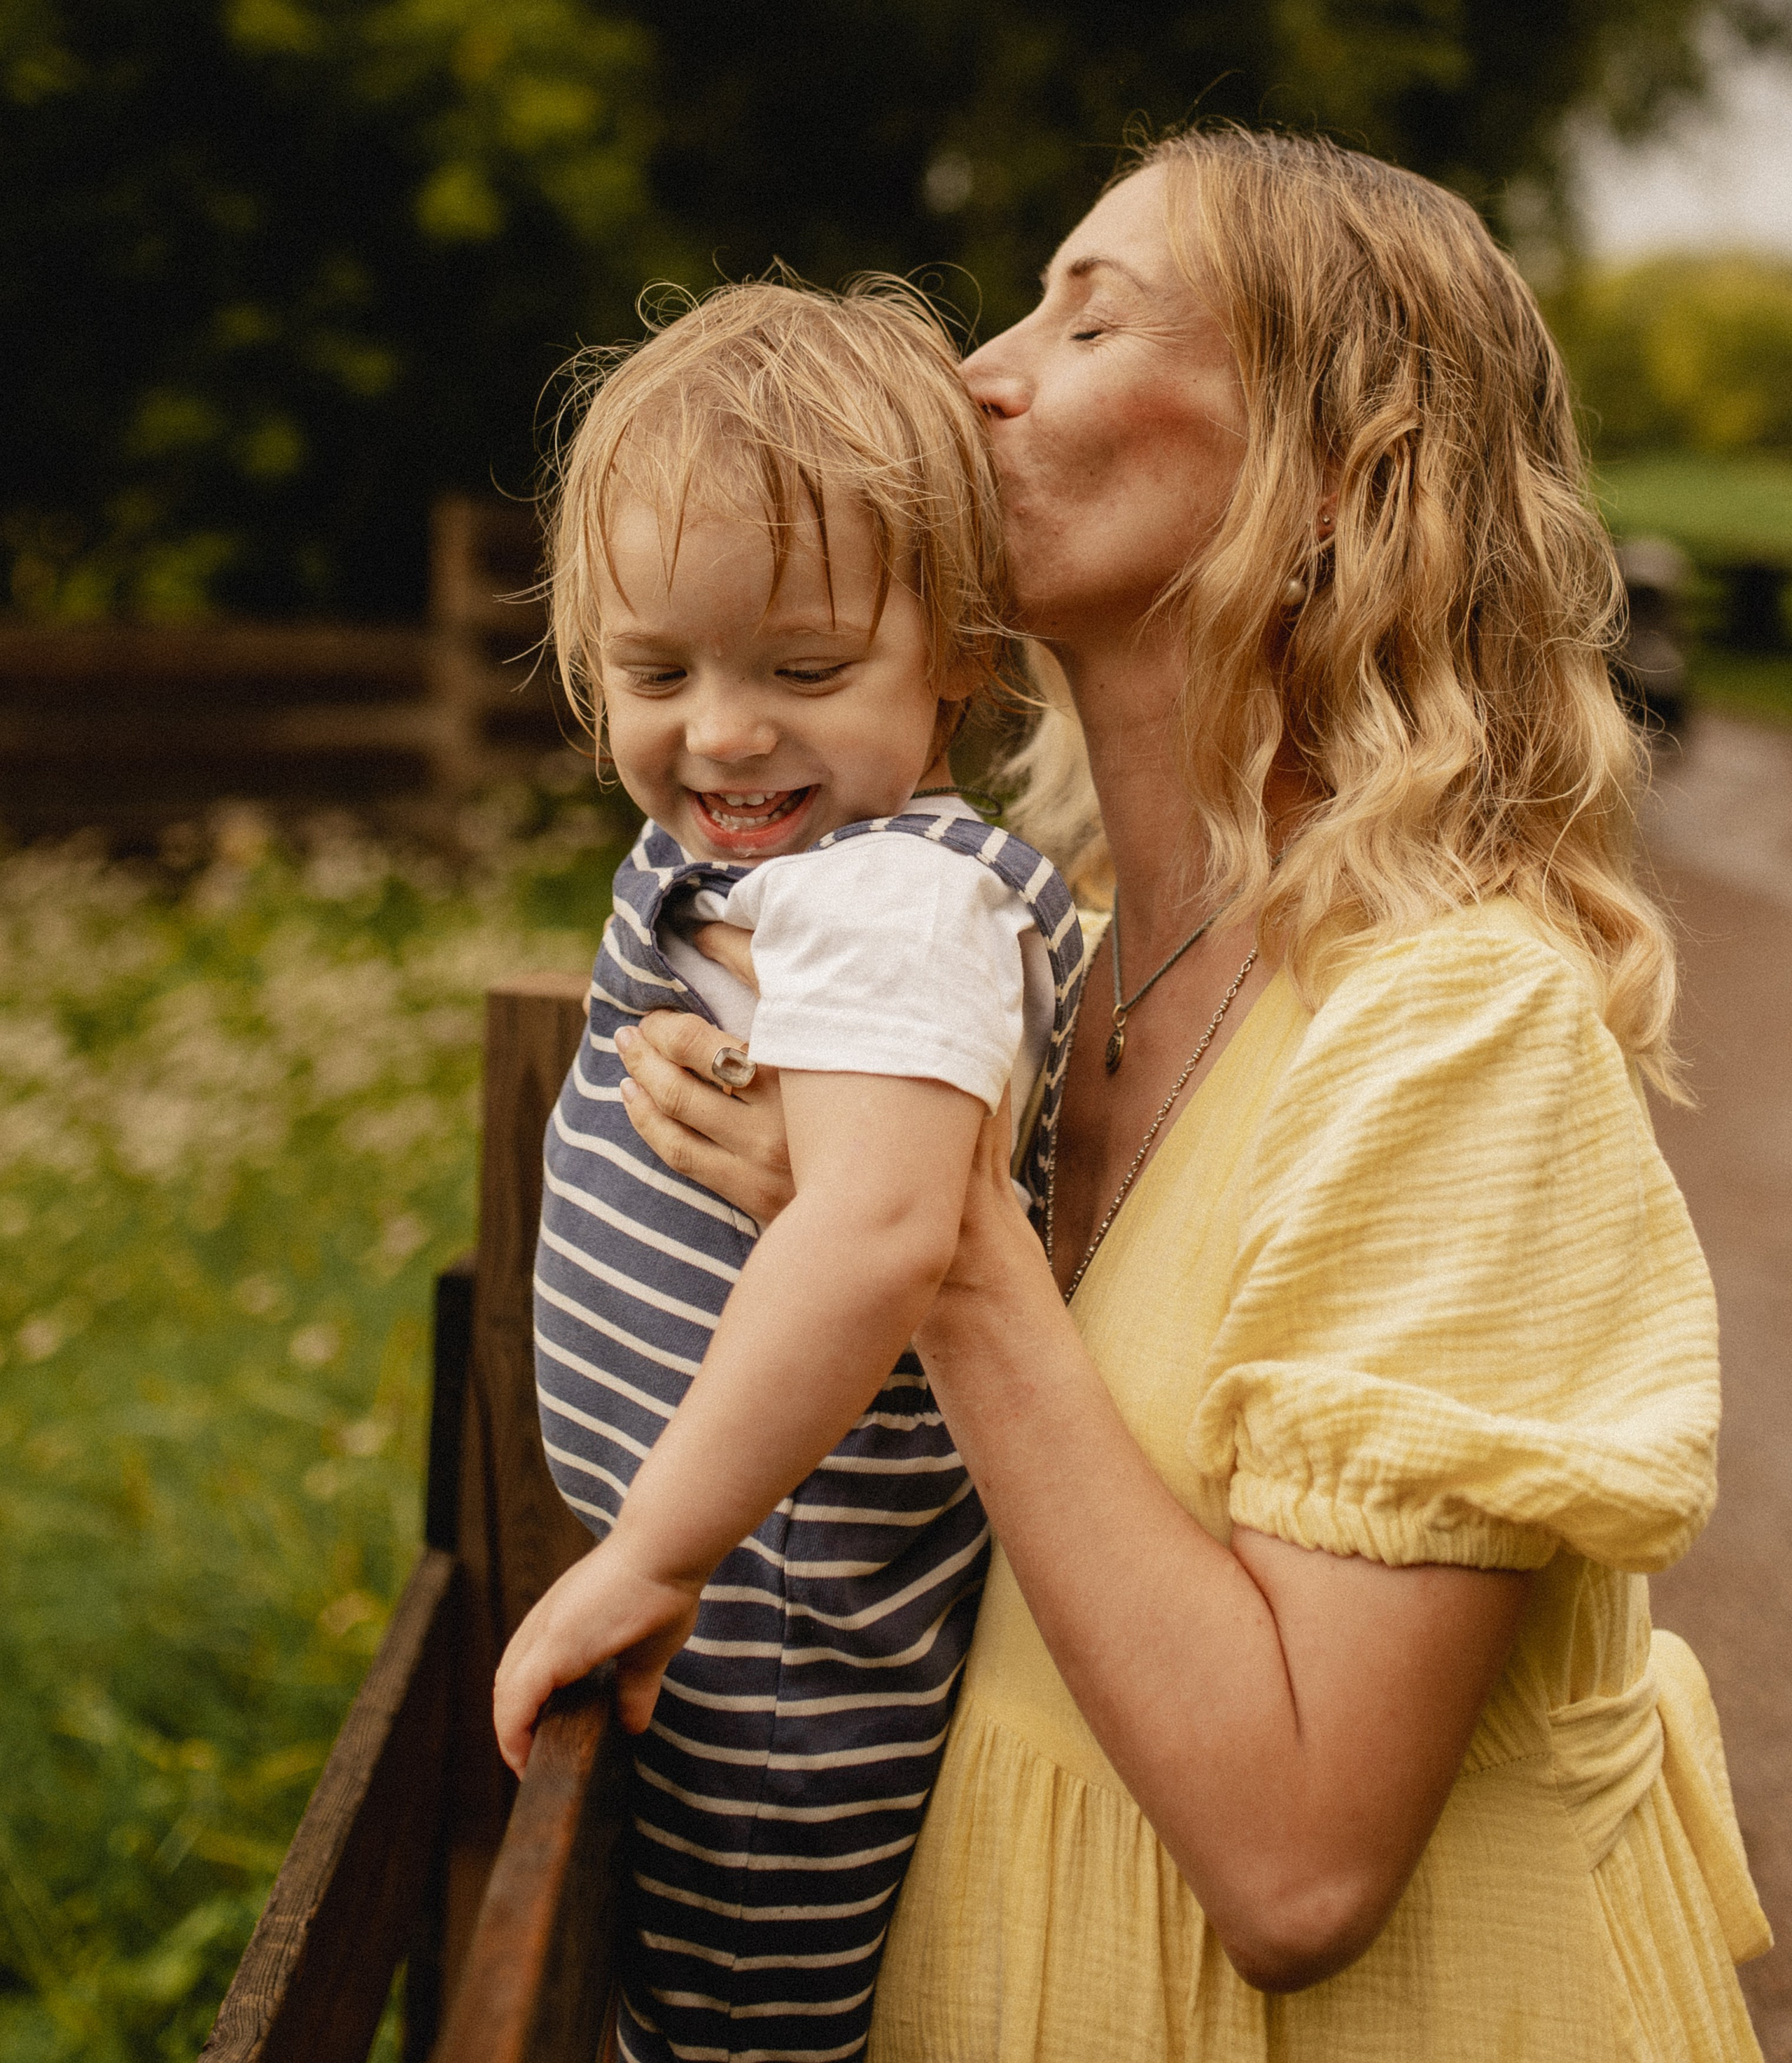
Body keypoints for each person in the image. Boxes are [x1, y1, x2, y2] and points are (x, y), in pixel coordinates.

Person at [611, 129, 1773, 2060]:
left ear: (1339, 478)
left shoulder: (1456, 1026)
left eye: (1091, 316)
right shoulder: (1041, 952)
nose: (978, 370)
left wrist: (941, 1254)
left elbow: (1301, 1864)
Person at [491, 279, 1086, 2063]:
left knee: (728, 2036)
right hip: (731, 1612)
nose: (726, 734)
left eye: (805, 672)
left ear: (956, 656)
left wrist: (653, 1555)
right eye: (654, 673)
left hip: (777, 1661)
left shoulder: (892, 893)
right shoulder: (776, 861)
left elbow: (885, 1223)